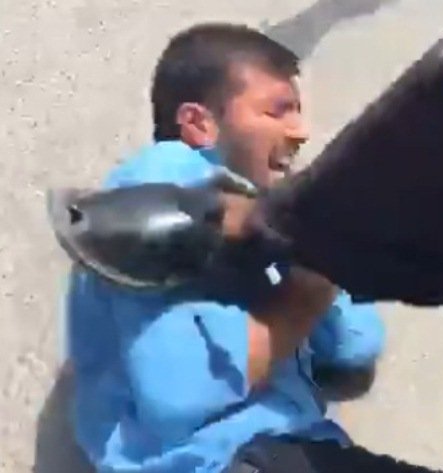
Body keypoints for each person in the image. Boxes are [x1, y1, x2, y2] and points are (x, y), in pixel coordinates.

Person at [64, 23, 397, 473]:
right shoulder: (161, 180)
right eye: (277, 111)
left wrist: (314, 250)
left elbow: (354, 350)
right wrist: (306, 296)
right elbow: (178, 394)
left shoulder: (264, 219)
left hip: (298, 452)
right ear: (199, 123)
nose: (300, 132)